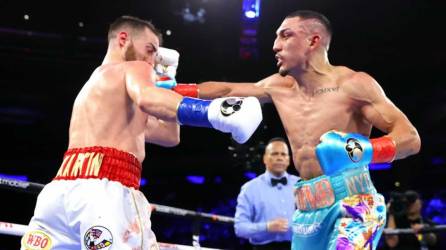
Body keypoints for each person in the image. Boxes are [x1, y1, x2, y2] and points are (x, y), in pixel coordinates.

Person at [159, 10, 421, 250]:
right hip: (307, 209)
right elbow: (227, 91)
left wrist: (361, 151)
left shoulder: (354, 84)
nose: (275, 45)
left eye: (285, 35)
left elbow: (410, 138)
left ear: (313, 41)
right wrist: (173, 89)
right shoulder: (278, 86)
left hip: (354, 202)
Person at [20, 15, 263, 250]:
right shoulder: (133, 67)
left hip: (59, 192)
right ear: (123, 39)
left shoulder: (97, 86)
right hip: (105, 193)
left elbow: (169, 136)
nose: (153, 60)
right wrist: (214, 113)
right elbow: (148, 98)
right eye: (150, 49)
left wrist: (169, 81)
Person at [234, 137, 300, 250]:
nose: (279, 158)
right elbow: (240, 228)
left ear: (289, 159)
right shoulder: (250, 188)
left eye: (283, 154)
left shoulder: (299, 184)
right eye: (274, 154)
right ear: (265, 158)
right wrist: (266, 227)